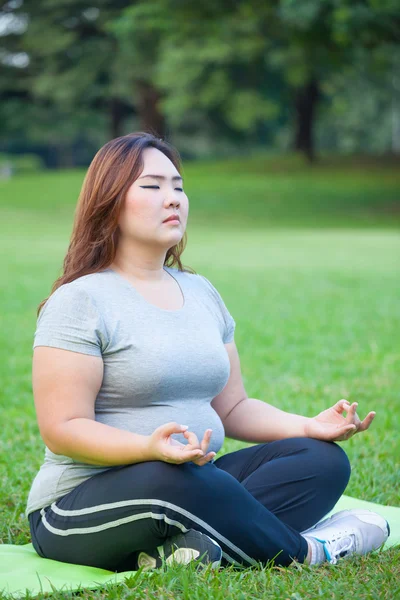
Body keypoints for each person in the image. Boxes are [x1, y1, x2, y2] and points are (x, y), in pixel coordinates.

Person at [26, 132, 389, 572]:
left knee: (319, 460)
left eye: (178, 186)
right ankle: (312, 550)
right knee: (179, 479)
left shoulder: (201, 292)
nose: (173, 198)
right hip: (78, 508)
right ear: (110, 201)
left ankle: (187, 549)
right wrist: (148, 447)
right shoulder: (80, 300)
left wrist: (308, 426)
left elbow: (233, 407)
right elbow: (62, 428)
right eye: (153, 186)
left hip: (191, 481)